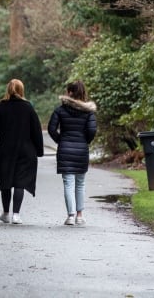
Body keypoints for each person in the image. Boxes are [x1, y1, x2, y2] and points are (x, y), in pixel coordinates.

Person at [0, 79, 44, 225]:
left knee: (6, 182)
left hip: (5, 150)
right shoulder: (28, 108)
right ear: (22, 90)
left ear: (8, 90)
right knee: (19, 182)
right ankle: (16, 214)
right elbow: (36, 131)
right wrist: (39, 150)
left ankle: (5, 213)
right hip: (25, 150)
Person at [48, 80, 97, 226]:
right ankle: (80, 216)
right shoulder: (89, 112)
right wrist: (84, 142)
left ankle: (70, 216)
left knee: (68, 183)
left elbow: (51, 129)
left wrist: (61, 141)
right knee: (80, 184)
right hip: (81, 149)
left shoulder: (60, 110)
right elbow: (92, 130)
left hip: (65, 149)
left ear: (69, 92)